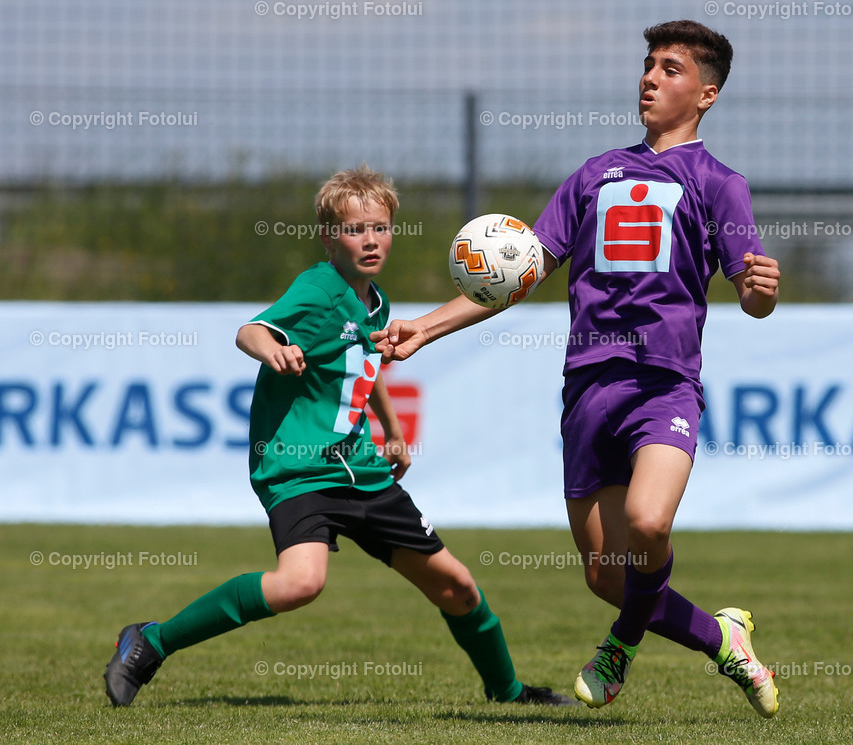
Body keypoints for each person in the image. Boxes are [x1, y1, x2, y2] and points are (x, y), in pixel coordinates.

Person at [371, 20, 781, 717]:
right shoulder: (595, 175)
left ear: (707, 94)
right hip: (588, 390)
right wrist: (425, 327)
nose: (650, 78)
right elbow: (515, 276)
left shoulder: (720, 184)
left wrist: (760, 292)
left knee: (650, 527)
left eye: (672, 69)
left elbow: (752, 293)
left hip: (662, 384)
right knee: (605, 574)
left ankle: (619, 647)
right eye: (648, 64)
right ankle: (723, 638)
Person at [103, 166, 575, 709]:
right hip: (300, 468)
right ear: (330, 237)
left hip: (362, 469)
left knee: (457, 587)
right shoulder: (318, 288)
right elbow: (250, 330)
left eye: (380, 227)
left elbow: (361, 369)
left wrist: (394, 432)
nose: (370, 240)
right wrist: (272, 350)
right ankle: (150, 641)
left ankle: (510, 693)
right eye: (355, 230)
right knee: (300, 583)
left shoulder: (377, 301)